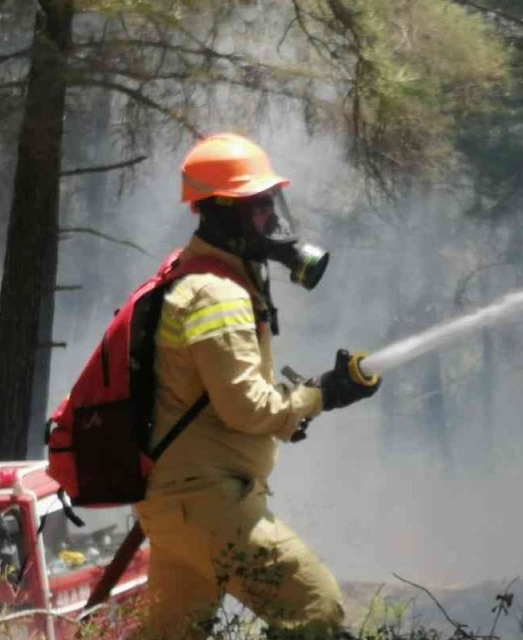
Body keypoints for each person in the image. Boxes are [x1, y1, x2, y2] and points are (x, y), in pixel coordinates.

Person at [134, 133, 381, 638]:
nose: (273, 218)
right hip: (209, 504)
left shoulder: (195, 277)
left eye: (272, 203)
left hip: (178, 507)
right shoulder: (217, 294)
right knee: (315, 609)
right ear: (226, 212)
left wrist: (309, 397)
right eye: (261, 205)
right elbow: (245, 408)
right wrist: (321, 394)